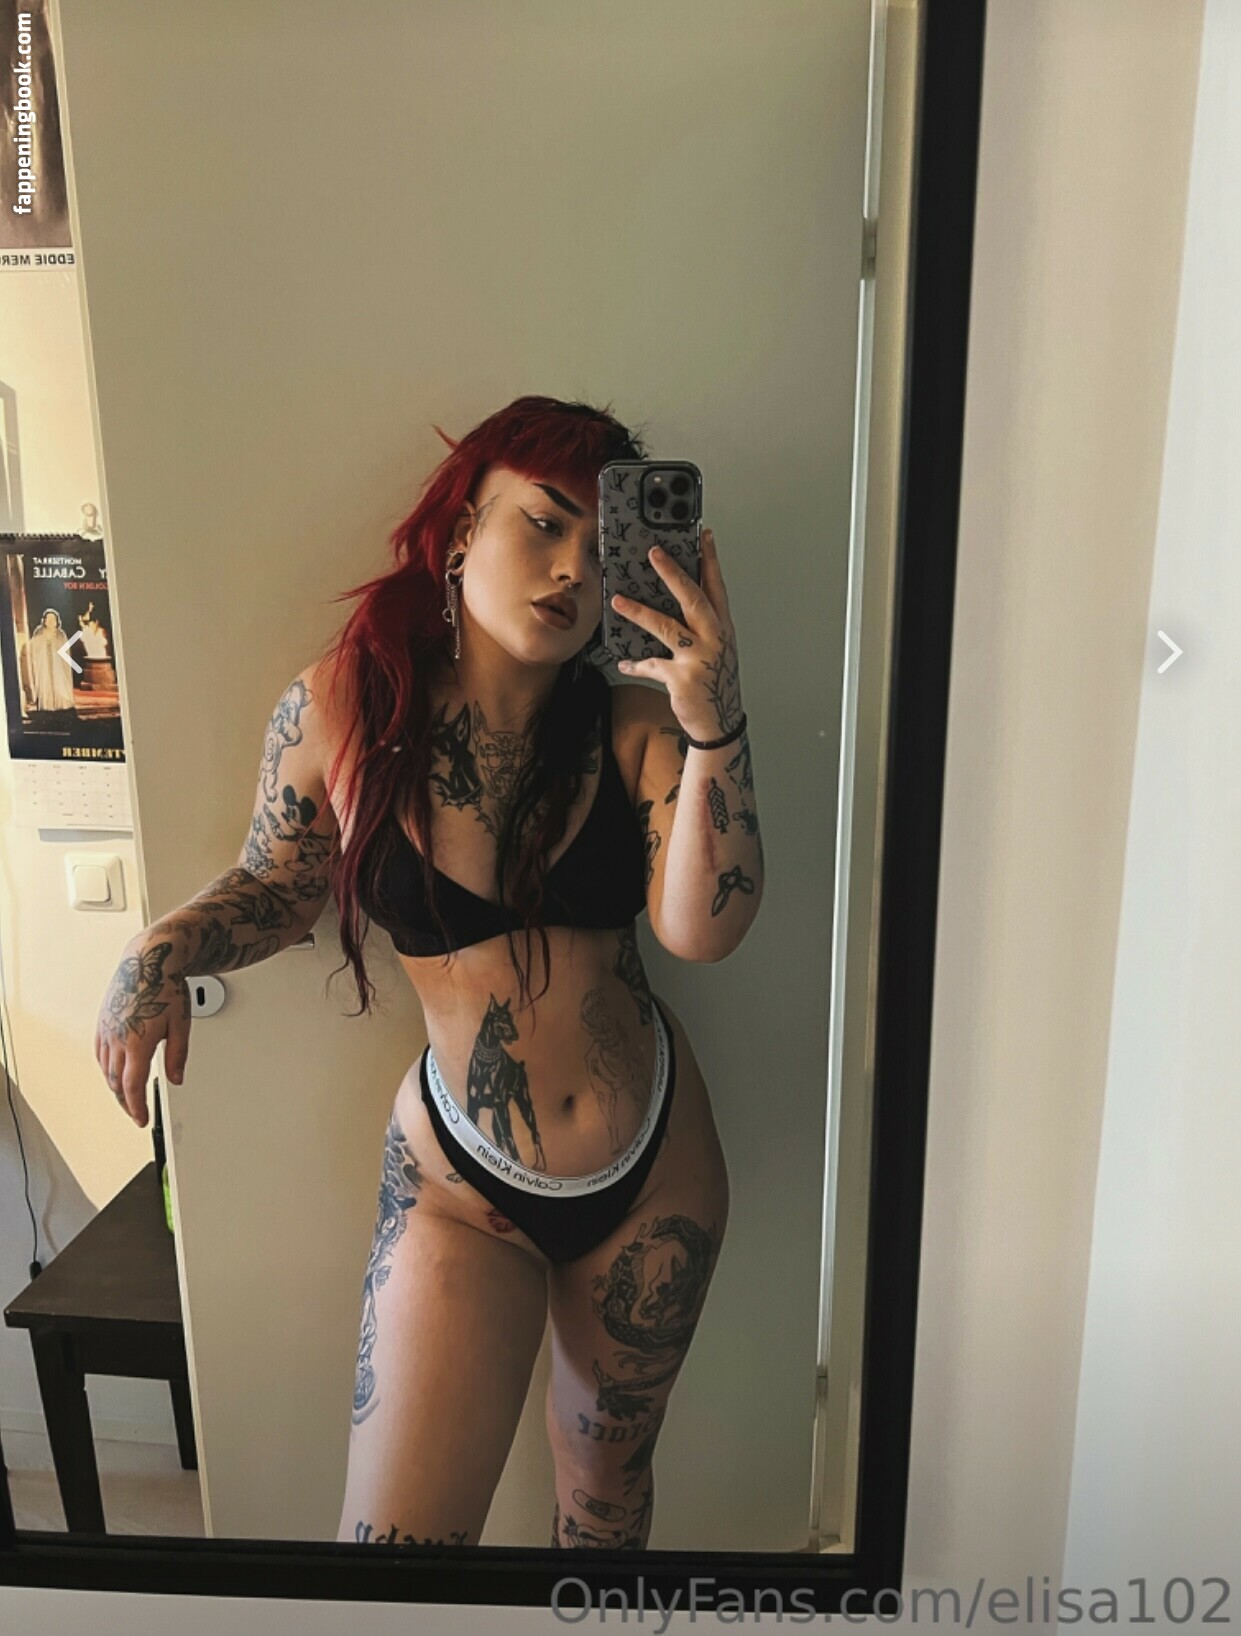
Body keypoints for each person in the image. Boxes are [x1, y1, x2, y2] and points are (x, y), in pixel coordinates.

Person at [95, 395, 764, 1551]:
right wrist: (161, 947)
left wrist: (715, 723)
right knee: (392, 1552)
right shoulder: (343, 709)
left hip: (652, 1174)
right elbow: (280, 883)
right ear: (459, 534)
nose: (571, 568)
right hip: (460, 1183)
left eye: (596, 542)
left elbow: (703, 930)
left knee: (603, 1504)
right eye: (541, 522)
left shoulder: (637, 730)